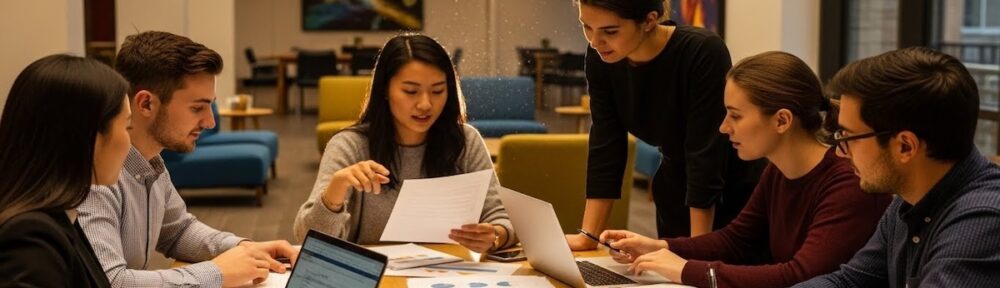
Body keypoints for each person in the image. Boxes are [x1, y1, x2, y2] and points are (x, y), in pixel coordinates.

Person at [597, 51, 893, 287]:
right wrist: (657, 245)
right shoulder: (777, 171)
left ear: (782, 121)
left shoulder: (848, 185)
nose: (724, 127)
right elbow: (735, 240)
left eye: (735, 116)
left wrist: (687, 270)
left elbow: (800, 276)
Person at [76, 31, 298, 288]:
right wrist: (217, 273)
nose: (210, 122)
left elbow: (178, 230)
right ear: (146, 104)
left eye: (210, 106)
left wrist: (244, 248)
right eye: (197, 108)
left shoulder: (152, 163)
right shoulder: (96, 177)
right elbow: (110, 282)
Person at [793, 47, 1000, 287]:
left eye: (848, 137)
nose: (841, 152)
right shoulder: (909, 198)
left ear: (905, 147)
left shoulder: (982, 222)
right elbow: (850, 281)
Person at [568, 0, 765, 250]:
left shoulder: (702, 51)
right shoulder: (601, 58)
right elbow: (606, 144)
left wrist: (697, 250)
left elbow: (704, 154)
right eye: (586, 27)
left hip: (731, 188)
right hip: (675, 190)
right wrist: (589, 236)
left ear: (650, 20)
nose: (595, 41)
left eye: (610, 31)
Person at [294, 33, 516, 253]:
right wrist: (337, 187)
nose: (425, 104)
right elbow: (308, 239)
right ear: (384, 91)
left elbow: (502, 218)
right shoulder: (350, 145)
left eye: (438, 90)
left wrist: (496, 235)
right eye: (411, 91)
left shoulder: (465, 141)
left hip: (449, 275)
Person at [0, 54, 131, 287]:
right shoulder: (31, 237)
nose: (129, 144)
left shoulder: (57, 214)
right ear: (90, 137)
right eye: (127, 127)